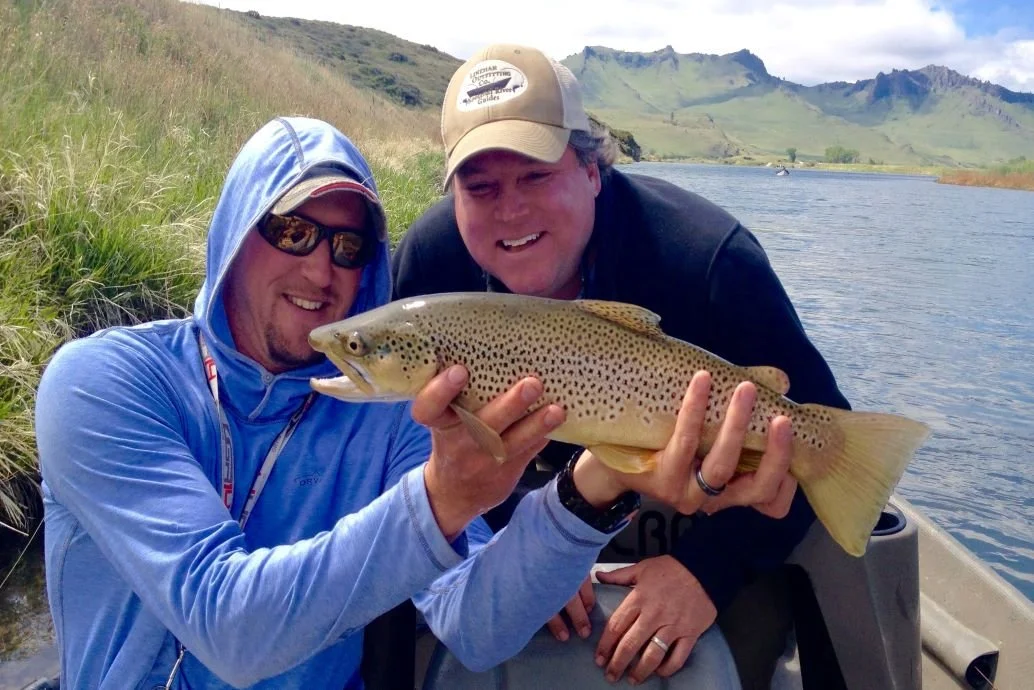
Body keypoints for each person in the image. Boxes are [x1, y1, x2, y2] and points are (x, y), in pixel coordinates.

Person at [35, 115, 794, 689]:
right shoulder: (104, 384)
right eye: (292, 229)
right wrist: (439, 500)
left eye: (350, 246)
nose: (321, 269)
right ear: (233, 232)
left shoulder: (391, 415)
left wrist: (596, 484)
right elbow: (228, 628)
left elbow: (475, 625)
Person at [391, 43, 851, 687]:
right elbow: (418, 458)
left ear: (592, 169)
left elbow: (825, 446)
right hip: (522, 535)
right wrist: (524, 558)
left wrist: (704, 574)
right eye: (481, 187)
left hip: (702, 540)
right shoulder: (431, 274)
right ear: (455, 195)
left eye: (535, 175)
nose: (511, 209)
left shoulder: (708, 260)